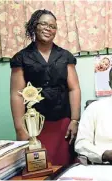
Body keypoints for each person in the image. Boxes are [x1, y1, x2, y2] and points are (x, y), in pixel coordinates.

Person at [10, 9, 81, 165]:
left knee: (63, 168)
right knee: (38, 169)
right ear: (35, 26)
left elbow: (74, 88)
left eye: (53, 26)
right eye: (44, 24)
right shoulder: (21, 58)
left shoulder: (65, 56)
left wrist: (75, 120)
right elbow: (16, 94)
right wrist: (20, 129)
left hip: (63, 123)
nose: (49, 28)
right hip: (34, 125)